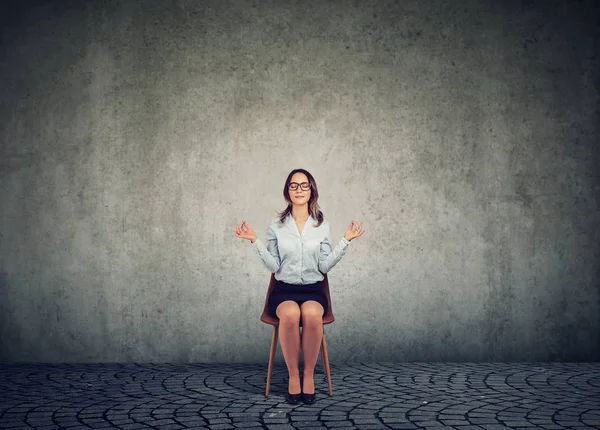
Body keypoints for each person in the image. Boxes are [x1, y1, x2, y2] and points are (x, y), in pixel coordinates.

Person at [234, 168, 365, 405]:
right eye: (294, 186)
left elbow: (324, 266)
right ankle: (293, 376)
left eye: (304, 185)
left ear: (312, 190)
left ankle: (308, 376)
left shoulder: (322, 225)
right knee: (292, 313)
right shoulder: (276, 226)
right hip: (284, 289)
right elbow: (273, 265)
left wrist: (345, 241)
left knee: (313, 314)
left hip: (314, 290)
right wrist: (254, 240)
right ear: (287, 191)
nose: (299, 190)